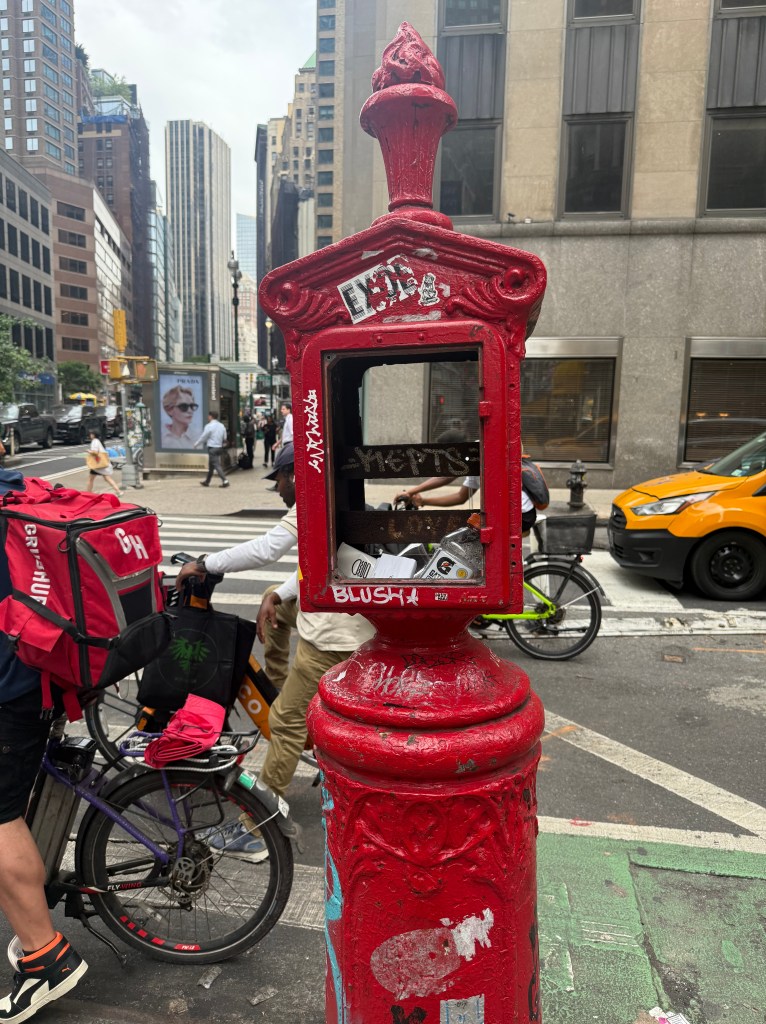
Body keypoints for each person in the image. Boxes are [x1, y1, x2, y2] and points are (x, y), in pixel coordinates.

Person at [175, 443, 374, 800]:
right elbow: (316, 566)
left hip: (332, 638)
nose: (278, 489)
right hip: (348, 620)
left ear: (294, 476)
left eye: (279, 480)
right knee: (274, 598)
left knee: (284, 722)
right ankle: (282, 683)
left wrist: (205, 563)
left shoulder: (312, 502)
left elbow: (265, 549)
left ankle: (260, 823)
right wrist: (279, 594)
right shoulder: (335, 495)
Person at [0, 470, 87, 1022]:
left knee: (0, 816)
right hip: (45, 671)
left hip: (12, 688)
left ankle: (44, 955)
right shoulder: (19, 491)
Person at [194, 411, 229, 488]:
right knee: (211, 465)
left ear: (211, 416)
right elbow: (225, 437)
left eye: (208, 416)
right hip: (219, 447)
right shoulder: (221, 425)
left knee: (216, 465)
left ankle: (225, 480)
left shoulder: (208, 426)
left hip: (212, 448)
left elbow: (204, 437)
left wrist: (196, 444)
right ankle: (207, 481)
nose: (207, 417)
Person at [85, 430, 122, 496]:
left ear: (93, 435)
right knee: (106, 478)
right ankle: (118, 491)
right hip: (100, 463)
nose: (90, 435)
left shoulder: (95, 441)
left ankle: (88, 493)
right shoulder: (98, 441)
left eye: (91, 434)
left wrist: (89, 451)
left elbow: (95, 452)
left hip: (97, 464)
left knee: (91, 479)